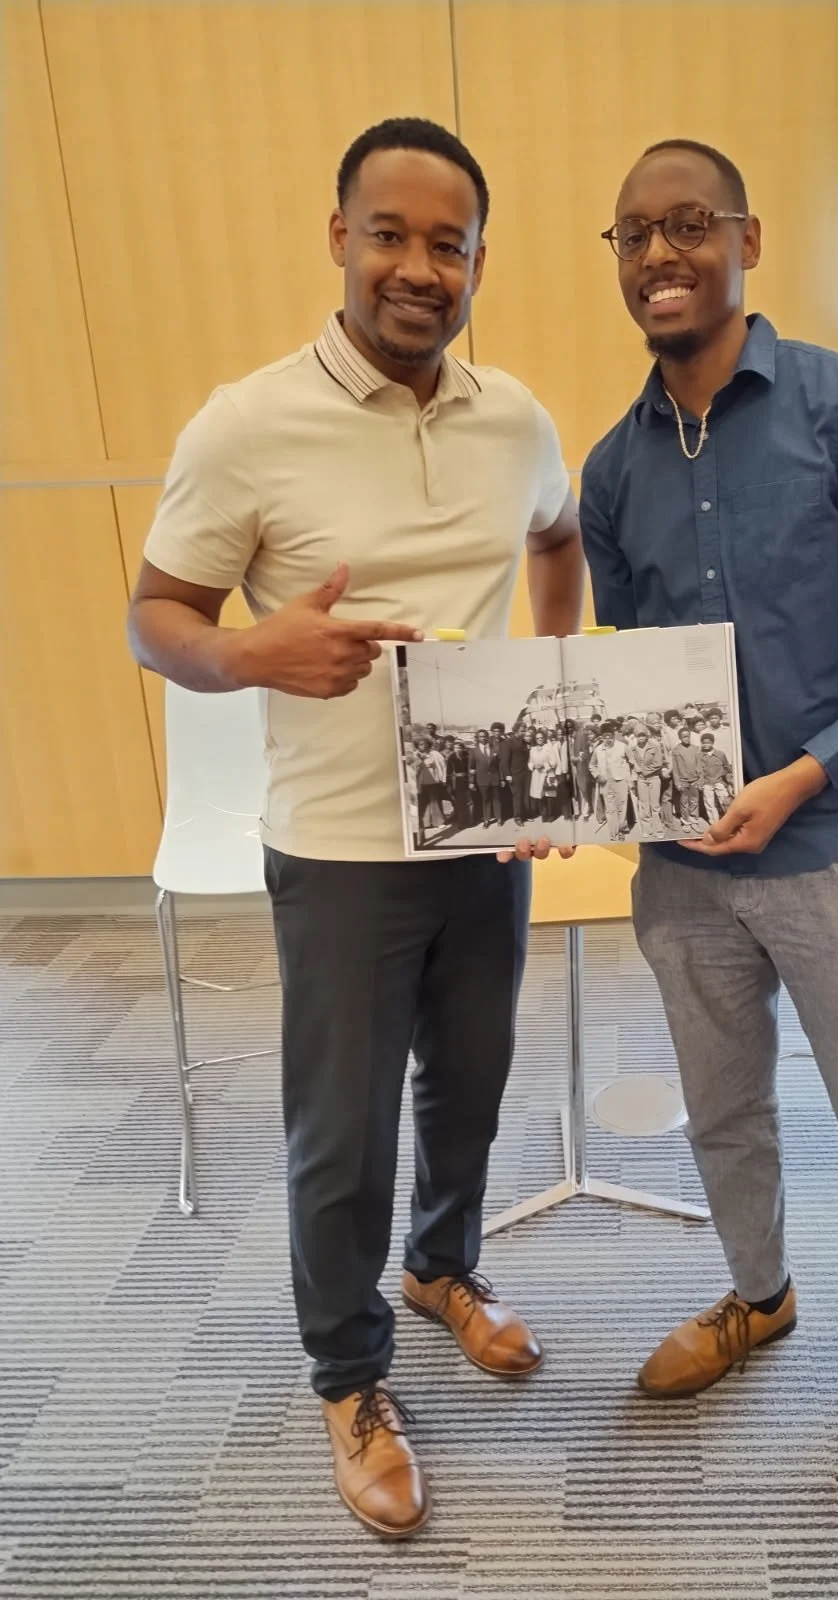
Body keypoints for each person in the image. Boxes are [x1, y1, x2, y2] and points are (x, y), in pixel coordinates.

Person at [126, 116, 583, 1539]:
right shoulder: (246, 423)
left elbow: (557, 544)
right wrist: (256, 653)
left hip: (481, 840)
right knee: (343, 1133)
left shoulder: (515, 416)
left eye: (448, 244)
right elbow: (157, 621)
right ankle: (349, 1375)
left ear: (478, 261)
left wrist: (553, 726)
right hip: (335, 852)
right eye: (389, 233)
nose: (418, 267)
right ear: (340, 238)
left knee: (471, 1085)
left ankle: (442, 1270)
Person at [579, 138, 838, 1483]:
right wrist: (566, 786)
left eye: (688, 224)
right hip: (684, 874)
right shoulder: (610, 467)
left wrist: (812, 767)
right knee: (722, 1116)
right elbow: (629, 678)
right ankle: (759, 1293)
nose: (660, 256)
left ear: (749, 238)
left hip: (835, 850)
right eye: (633, 235)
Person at [590, 722, 634, 841]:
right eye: (605, 736)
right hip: (605, 783)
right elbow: (592, 765)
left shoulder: (623, 746)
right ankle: (613, 833)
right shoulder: (598, 749)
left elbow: (632, 762)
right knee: (610, 809)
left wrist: (630, 778)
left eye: (609, 735)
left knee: (621, 807)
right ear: (602, 737)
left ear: (613, 735)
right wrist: (597, 775)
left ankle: (621, 829)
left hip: (620, 781)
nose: (607, 738)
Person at [629, 724, 667, 839]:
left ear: (646, 736)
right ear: (635, 737)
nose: (641, 737)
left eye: (643, 735)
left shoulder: (654, 747)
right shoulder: (633, 749)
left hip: (654, 779)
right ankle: (647, 829)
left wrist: (643, 770)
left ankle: (658, 829)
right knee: (644, 805)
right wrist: (635, 768)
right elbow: (632, 762)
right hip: (641, 780)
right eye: (638, 736)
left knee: (655, 806)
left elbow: (658, 764)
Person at [669, 724, 703, 832]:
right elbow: (675, 768)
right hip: (683, 781)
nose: (686, 738)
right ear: (680, 738)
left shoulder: (695, 749)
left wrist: (700, 779)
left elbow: (699, 765)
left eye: (688, 736)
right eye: (684, 737)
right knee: (684, 802)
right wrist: (677, 782)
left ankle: (694, 820)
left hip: (694, 780)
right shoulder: (676, 750)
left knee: (694, 801)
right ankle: (686, 821)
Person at [697, 730, 734, 823]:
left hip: (719, 782)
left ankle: (730, 821)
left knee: (725, 802)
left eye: (708, 742)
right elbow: (699, 770)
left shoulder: (720, 754)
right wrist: (702, 783)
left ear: (712, 743)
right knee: (709, 804)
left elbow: (727, 768)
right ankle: (714, 823)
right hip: (707, 784)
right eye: (704, 743)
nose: (706, 745)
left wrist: (725, 780)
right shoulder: (699, 755)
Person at [527, 726, 562, 822]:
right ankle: (544, 814)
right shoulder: (532, 750)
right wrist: (533, 766)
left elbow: (554, 762)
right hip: (537, 775)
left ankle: (551, 815)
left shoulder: (548, 748)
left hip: (547, 774)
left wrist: (543, 765)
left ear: (544, 738)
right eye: (537, 738)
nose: (539, 740)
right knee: (540, 796)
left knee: (549, 795)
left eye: (541, 738)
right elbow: (529, 762)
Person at [500, 722, 531, 826]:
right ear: (516, 730)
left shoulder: (523, 742)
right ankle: (517, 817)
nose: (524, 733)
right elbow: (504, 761)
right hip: (514, 774)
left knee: (525, 796)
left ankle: (524, 815)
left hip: (525, 773)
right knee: (517, 796)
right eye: (522, 731)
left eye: (524, 731)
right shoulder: (508, 743)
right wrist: (507, 775)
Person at [472, 728, 503, 827]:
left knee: (497, 798)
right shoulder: (474, 751)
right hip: (482, 779)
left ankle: (499, 818)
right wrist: (471, 781)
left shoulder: (494, 749)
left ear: (487, 737)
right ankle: (486, 819)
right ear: (478, 738)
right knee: (485, 800)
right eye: (481, 736)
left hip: (495, 778)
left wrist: (501, 778)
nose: (483, 738)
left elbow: (499, 765)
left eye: (485, 736)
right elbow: (471, 767)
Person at [446, 738, 474, 831]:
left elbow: (470, 768)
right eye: (455, 748)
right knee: (459, 803)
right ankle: (461, 822)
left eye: (459, 748)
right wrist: (449, 785)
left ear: (463, 748)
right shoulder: (451, 757)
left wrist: (471, 781)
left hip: (466, 780)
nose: (457, 750)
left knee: (469, 801)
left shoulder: (467, 756)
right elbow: (449, 773)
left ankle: (470, 821)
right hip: (456, 782)